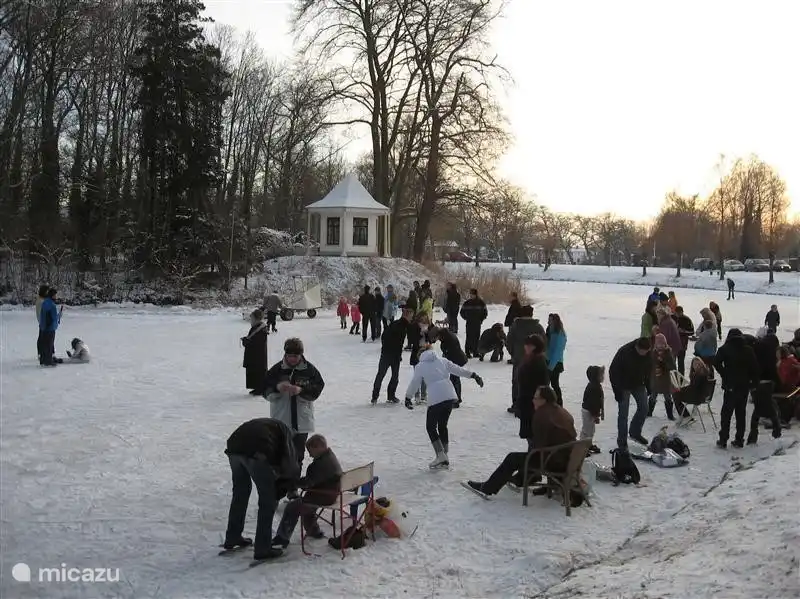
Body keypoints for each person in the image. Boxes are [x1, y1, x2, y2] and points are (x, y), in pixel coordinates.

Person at [465, 386, 577, 498]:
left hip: (553, 461)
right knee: (527, 456)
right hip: (567, 458)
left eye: (536, 398)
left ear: (544, 400)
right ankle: (522, 480)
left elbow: (539, 446)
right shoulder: (561, 411)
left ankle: (488, 488)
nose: (533, 400)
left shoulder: (542, 415)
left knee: (513, 458)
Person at [223, 418, 300, 561]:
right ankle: (263, 548)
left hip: (234, 448)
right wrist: (287, 485)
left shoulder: (271, 425)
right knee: (267, 501)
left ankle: (232, 537)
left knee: (240, 494)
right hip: (255, 453)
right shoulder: (286, 434)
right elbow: (289, 463)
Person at [404, 345, 484, 467]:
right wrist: (474, 375)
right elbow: (458, 370)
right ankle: (444, 454)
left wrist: (408, 397)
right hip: (449, 396)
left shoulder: (420, 366)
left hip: (436, 397)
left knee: (430, 427)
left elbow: (415, 382)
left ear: (421, 355)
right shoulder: (443, 360)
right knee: (442, 426)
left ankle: (440, 455)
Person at [264, 338, 325, 472]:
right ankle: (280, 486)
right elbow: (264, 387)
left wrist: (301, 391)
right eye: (289, 356)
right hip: (281, 420)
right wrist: (277, 387)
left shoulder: (309, 370)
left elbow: (318, 387)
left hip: (302, 421)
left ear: (301, 355)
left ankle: (293, 487)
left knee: (298, 457)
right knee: (281, 456)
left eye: (295, 356)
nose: (292, 359)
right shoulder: (276, 370)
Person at [271, 434, 342, 548]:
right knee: (304, 503)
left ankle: (282, 538)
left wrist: (292, 483)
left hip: (324, 496)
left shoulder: (320, 464)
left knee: (293, 507)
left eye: (310, 451)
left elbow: (308, 483)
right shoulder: (330, 457)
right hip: (332, 493)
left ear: (318, 447)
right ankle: (313, 530)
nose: (309, 454)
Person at [714, 328, 759, 449]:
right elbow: (755, 368)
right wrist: (753, 383)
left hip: (730, 386)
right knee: (741, 413)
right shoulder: (748, 350)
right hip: (744, 386)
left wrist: (724, 374)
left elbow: (716, 362)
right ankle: (739, 440)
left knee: (726, 414)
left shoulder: (725, 349)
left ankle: (723, 439)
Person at [609, 337, 652, 448]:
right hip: (623, 385)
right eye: (642, 352)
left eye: (646, 352)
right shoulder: (624, 352)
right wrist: (617, 391)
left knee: (644, 408)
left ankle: (635, 432)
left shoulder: (648, 353)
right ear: (637, 347)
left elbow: (648, 368)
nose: (644, 354)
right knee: (623, 414)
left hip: (638, 383)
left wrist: (648, 384)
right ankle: (622, 441)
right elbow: (613, 371)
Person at [506, 305, 546, 414]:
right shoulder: (538, 327)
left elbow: (508, 341)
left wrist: (513, 353)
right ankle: (534, 404)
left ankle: (516, 404)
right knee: (532, 382)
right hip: (535, 360)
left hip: (518, 359)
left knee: (516, 381)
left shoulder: (515, 326)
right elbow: (544, 342)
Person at [371, 306, 412, 404]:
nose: (411, 318)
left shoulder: (397, 324)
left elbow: (385, 336)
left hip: (388, 353)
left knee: (383, 375)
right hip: (392, 354)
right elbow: (394, 340)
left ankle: (377, 396)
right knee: (391, 376)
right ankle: (389, 395)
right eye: (411, 316)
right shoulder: (402, 326)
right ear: (406, 315)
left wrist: (385, 348)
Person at [517, 334, 550, 442]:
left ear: (535, 346)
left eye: (528, 345)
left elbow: (543, 384)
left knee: (533, 436)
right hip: (527, 401)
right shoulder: (530, 359)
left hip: (532, 402)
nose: (525, 347)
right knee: (530, 436)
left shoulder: (538, 361)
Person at [647, 334, 677, 420]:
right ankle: (649, 412)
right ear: (655, 345)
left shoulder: (668, 353)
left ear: (665, 344)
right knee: (653, 395)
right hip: (655, 379)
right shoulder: (653, 353)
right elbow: (650, 365)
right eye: (658, 345)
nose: (660, 347)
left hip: (666, 380)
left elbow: (672, 366)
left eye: (662, 345)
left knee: (667, 397)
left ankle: (670, 415)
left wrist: (664, 363)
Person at [242, 309, 269, 395]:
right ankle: (256, 387)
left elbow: (257, 342)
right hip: (254, 355)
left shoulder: (261, 329)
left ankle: (260, 388)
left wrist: (246, 342)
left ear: (257, 319)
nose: (251, 320)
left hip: (258, 356)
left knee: (258, 371)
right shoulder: (257, 327)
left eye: (252, 318)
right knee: (253, 371)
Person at [407, 313, 433, 403]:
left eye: (425, 318)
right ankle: (417, 395)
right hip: (417, 353)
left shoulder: (429, 326)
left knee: (425, 375)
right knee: (417, 375)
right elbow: (411, 340)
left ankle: (424, 395)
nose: (424, 320)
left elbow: (432, 339)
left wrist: (427, 334)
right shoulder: (414, 326)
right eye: (422, 318)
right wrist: (420, 334)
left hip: (426, 352)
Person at [581, 366, 605, 454]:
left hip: (590, 411)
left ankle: (588, 444)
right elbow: (593, 404)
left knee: (591, 430)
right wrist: (595, 415)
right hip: (589, 412)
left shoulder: (596, 386)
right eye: (601, 375)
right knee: (586, 431)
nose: (603, 377)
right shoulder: (594, 388)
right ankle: (582, 447)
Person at [545, 313, 567, 405]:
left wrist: (550, 367)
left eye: (551, 320)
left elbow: (557, 352)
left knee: (554, 384)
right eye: (548, 320)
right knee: (548, 383)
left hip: (555, 363)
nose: (548, 322)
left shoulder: (559, 334)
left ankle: (558, 403)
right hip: (548, 360)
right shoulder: (550, 331)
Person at [460, 288, 487, 359]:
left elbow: (485, 312)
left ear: (475, 294)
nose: (471, 296)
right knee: (469, 337)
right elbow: (462, 312)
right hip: (469, 323)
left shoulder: (481, 303)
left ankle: (475, 352)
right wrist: (466, 318)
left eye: (472, 294)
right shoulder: (467, 303)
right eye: (470, 294)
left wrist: (481, 320)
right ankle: (467, 352)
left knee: (476, 337)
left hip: (477, 323)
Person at [38, 288, 61, 366]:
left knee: (44, 344)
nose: (56, 296)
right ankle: (48, 361)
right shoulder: (52, 305)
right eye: (55, 295)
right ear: (52, 295)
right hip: (50, 328)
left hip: (43, 327)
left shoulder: (44, 302)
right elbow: (54, 317)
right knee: (49, 344)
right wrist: (59, 315)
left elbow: (42, 315)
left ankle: (43, 360)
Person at [672, 306, 695, 375]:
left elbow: (692, 332)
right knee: (672, 362)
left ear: (682, 312)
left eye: (680, 313)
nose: (678, 314)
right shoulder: (672, 318)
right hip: (673, 344)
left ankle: (681, 378)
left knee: (681, 363)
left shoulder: (687, 319)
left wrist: (683, 331)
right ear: (675, 312)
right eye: (677, 313)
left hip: (682, 344)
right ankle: (674, 378)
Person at [35, 284, 48, 361]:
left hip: (42, 322)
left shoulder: (41, 300)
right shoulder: (41, 301)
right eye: (47, 291)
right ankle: (42, 354)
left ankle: (41, 353)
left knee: (42, 338)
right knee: (43, 339)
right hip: (43, 322)